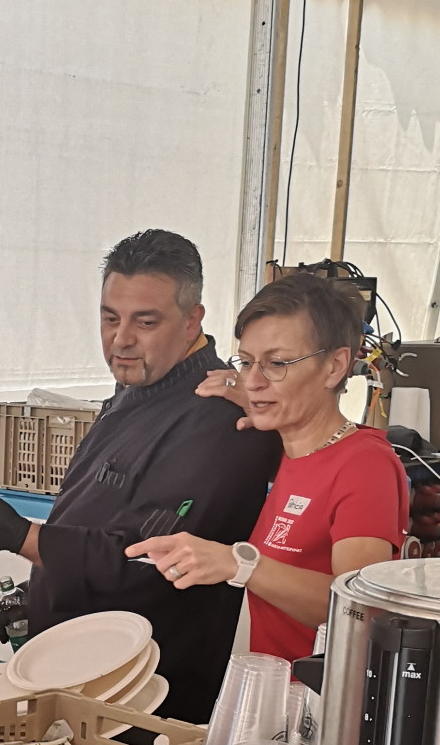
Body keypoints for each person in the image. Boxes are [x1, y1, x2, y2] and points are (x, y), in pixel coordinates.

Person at [0, 229, 281, 723]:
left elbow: (148, 559)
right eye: (110, 318)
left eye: (145, 321)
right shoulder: (136, 386)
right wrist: (38, 592)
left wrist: (22, 537)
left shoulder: (217, 419)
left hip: (146, 697)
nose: (121, 339)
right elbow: (100, 513)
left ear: (192, 320)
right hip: (77, 672)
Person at [127, 269, 408, 658]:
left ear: (334, 366)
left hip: (321, 689)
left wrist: (238, 564)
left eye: (277, 363)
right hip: (270, 680)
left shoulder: (365, 466)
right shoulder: (290, 450)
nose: (253, 381)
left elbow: (359, 607)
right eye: (246, 362)